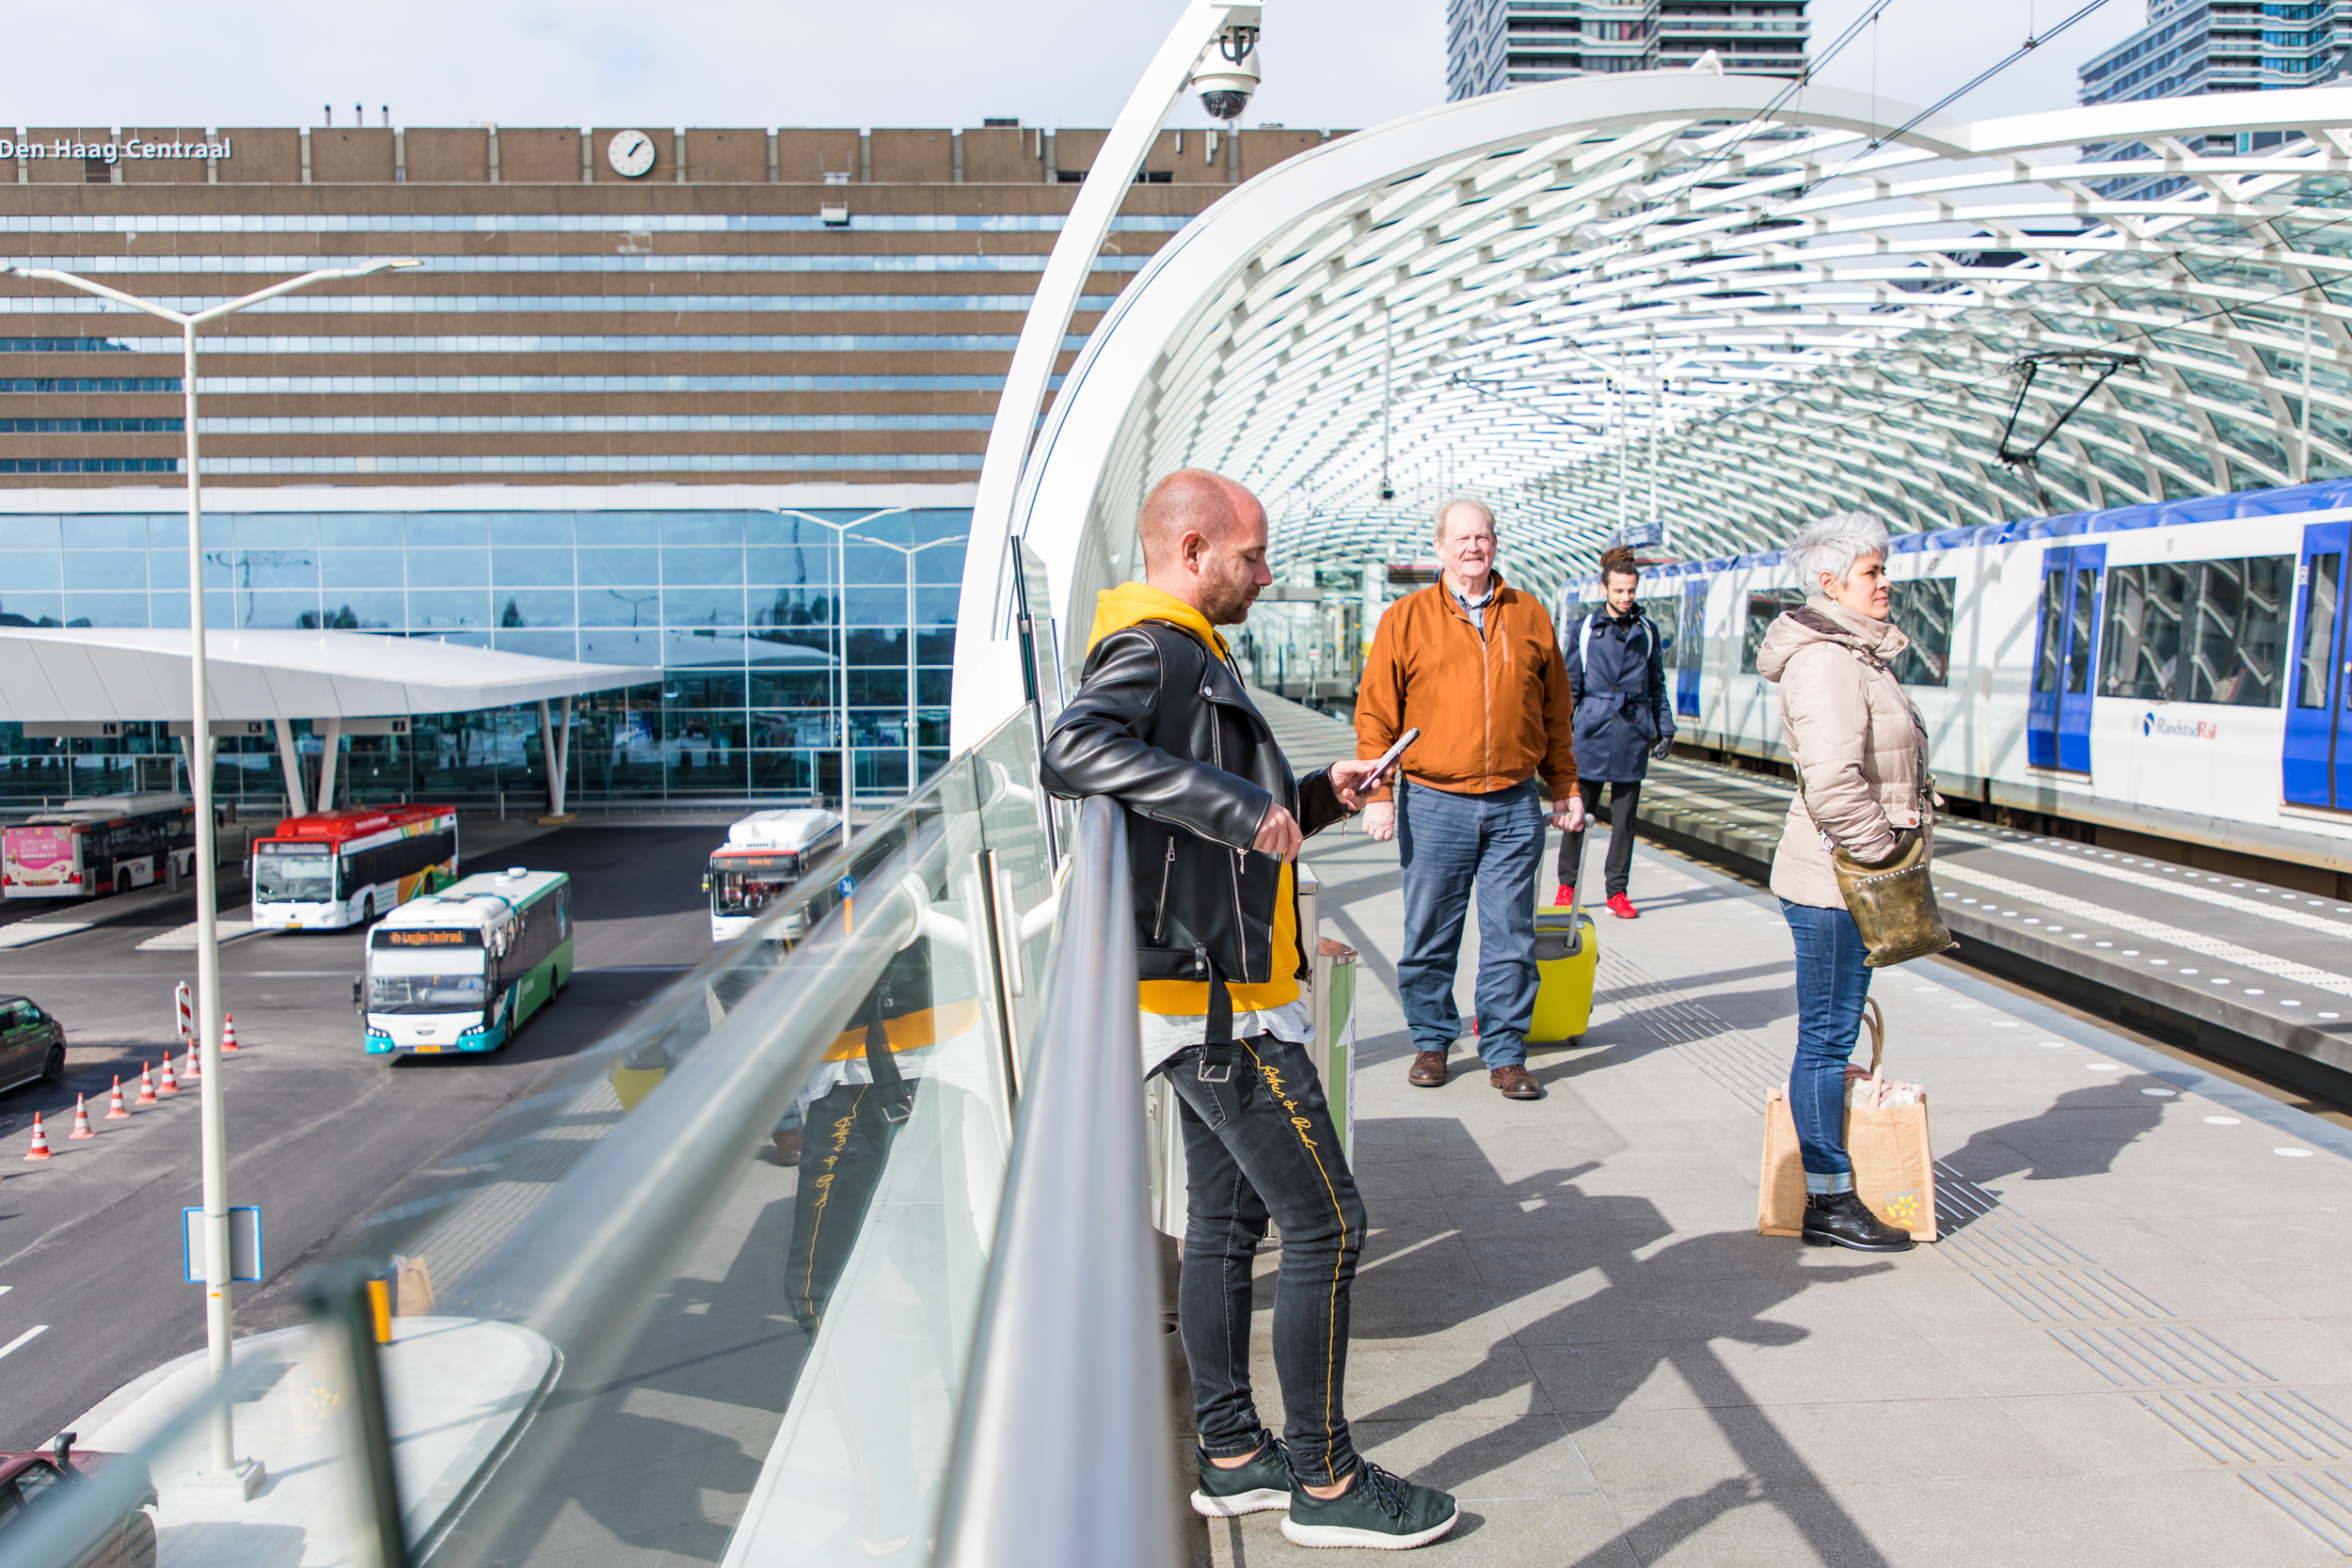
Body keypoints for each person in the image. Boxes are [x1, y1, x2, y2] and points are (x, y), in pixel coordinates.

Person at [1042, 468, 1460, 1550]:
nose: (1266, 574)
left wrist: (1323, 796)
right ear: (1191, 550)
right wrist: (1239, 806)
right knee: (1329, 1221)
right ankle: (1323, 1479)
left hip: (1209, 983)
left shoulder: (1187, 648)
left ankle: (1230, 1455)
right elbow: (1071, 748)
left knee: (1227, 1223)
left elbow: (1201, 809)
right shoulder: (1154, 645)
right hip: (1217, 1000)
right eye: (1252, 555)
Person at [1357, 498, 1582, 1101]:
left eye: (1482, 536)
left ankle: (1506, 1053)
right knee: (1430, 928)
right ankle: (1432, 1042)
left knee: (1510, 934)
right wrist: (1377, 794)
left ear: (1495, 543)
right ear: (1439, 548)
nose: (1473, 547)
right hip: (1433, 801)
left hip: (1514, 802)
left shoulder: (1530, 615)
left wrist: (1566, 788)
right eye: (1461, 538)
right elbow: (1376, 711)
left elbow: (1557, 714)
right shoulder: (1405, 618)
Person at [1756, 510, 1925, 1254]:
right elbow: (1833, 783)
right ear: (1831, 583)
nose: (1885, 583)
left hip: (1842, 876)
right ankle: (1828, 1198)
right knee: (1824, 1045)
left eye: (1883, 569)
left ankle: (1831, 1192)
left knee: (1829, 1039)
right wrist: (1882, 854)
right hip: (1834, 882)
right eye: (1871, 572)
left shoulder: (1856, 653)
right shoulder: (1827, 660)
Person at [1559, 546, 1677, 918]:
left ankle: (1616, 893)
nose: (1626, 598)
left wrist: (1665, 729)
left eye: (1631, 591)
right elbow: (1569, 687)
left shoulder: (1647, 631)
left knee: (1625, 820)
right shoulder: (1585, 630)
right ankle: (1566, 886)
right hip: (1592, 730)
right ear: (1605, 588)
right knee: (1578, 814)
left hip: (1631, 732)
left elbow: (1656, 684)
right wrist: (1558, 733)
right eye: (1619, 591)